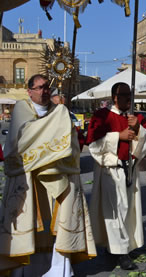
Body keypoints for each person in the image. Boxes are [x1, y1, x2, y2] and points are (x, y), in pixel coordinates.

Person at [0, 74, 96, 276]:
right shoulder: (21, 111)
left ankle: (58, 271)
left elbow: (72, 146)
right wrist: (53, 135)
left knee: (57, 227)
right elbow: (20, 143)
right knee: (29, 227)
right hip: (28, 180)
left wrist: (60, 117)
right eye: (39, 87)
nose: (44, 91)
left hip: (57, 178)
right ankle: (24, 272)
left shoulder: (60, 112)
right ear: (30, 91)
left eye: (46, 88)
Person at [86, 82, 146, 271]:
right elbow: (93, 144)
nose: (128, 99)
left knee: (127, 210)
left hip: (129, 168)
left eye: (130, 95)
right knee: (116, 210)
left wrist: (138, 128)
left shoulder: (136, 117)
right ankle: (121, 252)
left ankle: (115, 246)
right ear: (114, 97)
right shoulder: (102, 116)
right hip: (111, 170)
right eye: (124, 95)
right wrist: (118, 136)